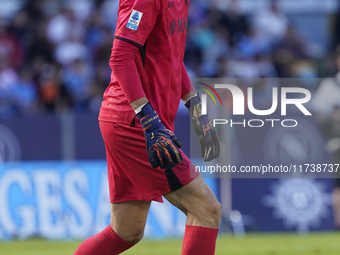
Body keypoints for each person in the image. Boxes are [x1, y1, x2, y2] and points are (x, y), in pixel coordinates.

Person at [74, 0, 221, 254]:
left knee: (126, 231)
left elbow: (172, 60)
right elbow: (120, 57)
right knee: (206, 209)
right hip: (134, 123)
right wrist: (148, 120)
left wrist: (198, 113)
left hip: (134, 121)